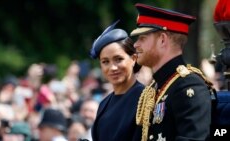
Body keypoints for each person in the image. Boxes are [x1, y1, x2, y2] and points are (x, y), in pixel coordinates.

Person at [130, 3, 214, 141]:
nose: (135, 44)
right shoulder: (154, 88)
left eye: (142, 38)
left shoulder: (189, 86)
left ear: (162, 40)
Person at [90, 20, 144, 141]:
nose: (113, 68)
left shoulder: (145, 99)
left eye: (118, 59)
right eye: (105, 62)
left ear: (134, 58)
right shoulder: (104, 104)